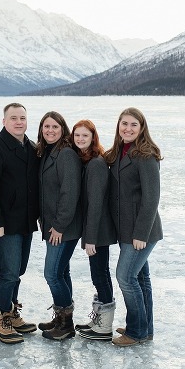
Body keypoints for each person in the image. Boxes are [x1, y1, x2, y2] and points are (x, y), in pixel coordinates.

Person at [0, 103, 39, 344]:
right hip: (3, 224)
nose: (19, 122)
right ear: (4, 121)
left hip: (25, 223)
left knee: (18, 271)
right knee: (9, 271)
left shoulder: (31, 148)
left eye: (22, 117)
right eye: (13, 118)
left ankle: (10, 313)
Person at [104, 108, 164, 347]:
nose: (127, 128)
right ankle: (144, 328)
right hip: (127, 229)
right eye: (124, 124)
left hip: (142, 231)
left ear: (142, 128)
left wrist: (140, 234)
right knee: (140, 278)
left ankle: (136, 331)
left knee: (125, 277)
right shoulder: (120, 152)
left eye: (133, 125)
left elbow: (151, 198)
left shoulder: (146, 155)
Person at [34, 111, 83, 340]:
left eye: (55, 127)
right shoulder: (47, 152)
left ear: (63, 129)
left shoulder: (66, 155)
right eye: (46, 127)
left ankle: (66, 324)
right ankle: (61, 317)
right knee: (62, 272)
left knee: (52, 273)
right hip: (53, 225)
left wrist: (60, 225)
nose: (50, 131)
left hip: (64, 228)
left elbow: (69, 193)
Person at [70, 120, 117, 341]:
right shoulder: (87, 160)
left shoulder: (96, 164)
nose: (80, 139)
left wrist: (91, 238)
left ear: (93, 138)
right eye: (77, 135)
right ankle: (99, 319)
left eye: (84, 136)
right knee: (99, 274)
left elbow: (96, 203)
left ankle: (104, 326)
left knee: (100, 274)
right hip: (96, 230)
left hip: (99, 231)